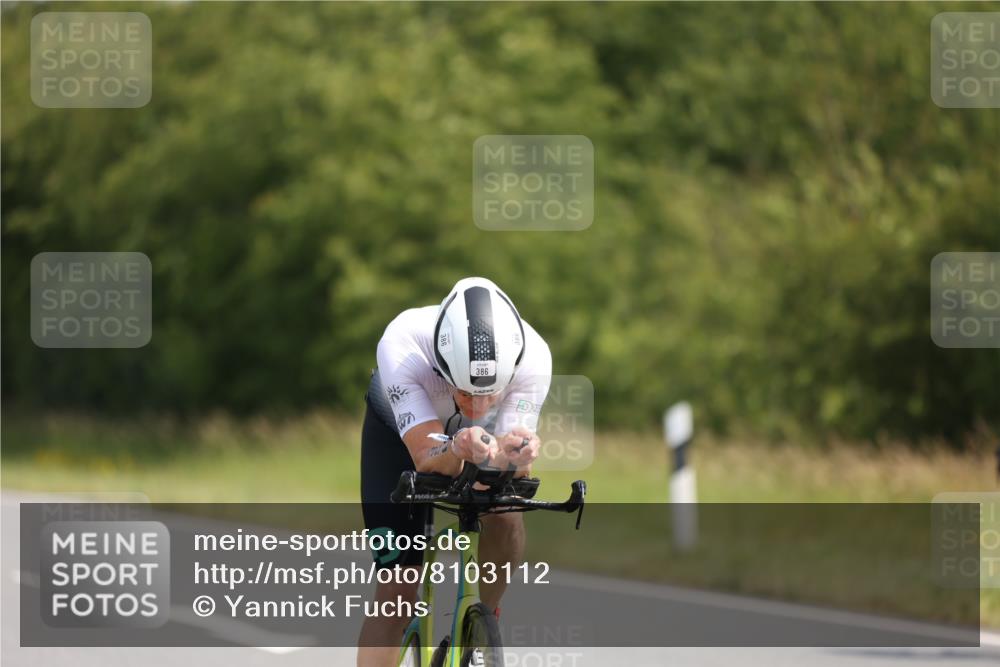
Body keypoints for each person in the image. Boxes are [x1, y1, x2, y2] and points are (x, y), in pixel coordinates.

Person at [357, 276, 551, 667]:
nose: (477, 406)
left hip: (473, 440)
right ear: (441, 369)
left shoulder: (533, 358)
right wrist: (458, 446)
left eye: (489, 393)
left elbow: (513, 463)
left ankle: (481, 628)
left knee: (507, 514)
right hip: (400, 440)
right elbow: (425, 456)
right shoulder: (403, 344)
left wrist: (517, 455)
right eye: (464, 392)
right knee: (397, 591)